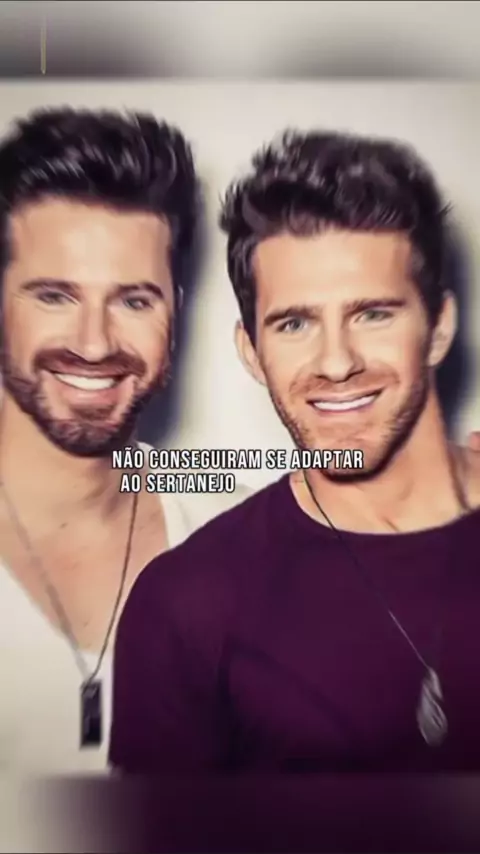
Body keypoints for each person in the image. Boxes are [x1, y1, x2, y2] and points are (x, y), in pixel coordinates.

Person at [110, 129, 480, 774]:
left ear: (439, 327)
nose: (336, 363)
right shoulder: (185, 602)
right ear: (251, 352)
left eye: (373, 314)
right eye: (295, 323)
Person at [0, 107, 250, 774]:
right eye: (53, 296)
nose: (94, 343)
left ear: (175, 311)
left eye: (135, 301)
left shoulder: (235, 533)